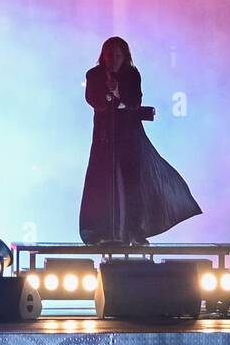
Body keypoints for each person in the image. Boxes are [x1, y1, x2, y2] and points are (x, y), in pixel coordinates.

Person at [79, 37, 201, 245]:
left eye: (118, 56)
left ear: (124, 57)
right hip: (104, 139)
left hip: (129, 137)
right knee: (101, 184)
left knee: (132, 185)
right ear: (103, 56)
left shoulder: (132, 74)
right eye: (110, 55)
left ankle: (133, 230)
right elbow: (94, 100)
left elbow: (134, 101)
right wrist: (110, 95)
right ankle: (100, 230)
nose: (113, 60)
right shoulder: (94, 75)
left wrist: (117, 91)